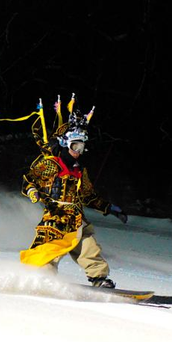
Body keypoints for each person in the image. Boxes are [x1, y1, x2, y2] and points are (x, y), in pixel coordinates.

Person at [20, 101, 127, 288]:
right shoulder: (51, 164)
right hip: (56, 217)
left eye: (82, 147)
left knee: (89, 246)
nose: (78, 152)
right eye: (75, 146)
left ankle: (99, 278)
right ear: (65, 143)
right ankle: (41, 279)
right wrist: (32, 191)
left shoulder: (80, 170)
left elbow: (87, 196)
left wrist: (108, 207)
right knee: (49, 251)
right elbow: (29, 179)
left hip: (77, 218)